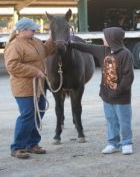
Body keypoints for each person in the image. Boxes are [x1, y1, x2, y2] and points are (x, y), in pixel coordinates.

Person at [69, 27, 134, 155]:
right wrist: (69, 43)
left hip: (121, 97)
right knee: (110, 120)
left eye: (105, 36)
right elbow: (86, 47)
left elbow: (128, 77)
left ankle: (126, 143)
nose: (102, 38)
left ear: (112, 38)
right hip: (107, 96)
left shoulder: (125, 54)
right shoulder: (103, 50)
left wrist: (118, 91)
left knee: (124, 120)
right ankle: (113, 143)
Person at [4, 17, 54, 159]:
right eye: (32, 29)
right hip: (24, 88)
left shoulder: (35, 41)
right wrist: (35, 71)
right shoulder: (14, 45)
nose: (35, 30)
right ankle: (17, 147)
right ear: (23, 30)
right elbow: (12, 66)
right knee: (27, 115)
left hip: (39, 86)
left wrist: (51, 38)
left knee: (39, 113)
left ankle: (32, 143)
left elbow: (45, 51)